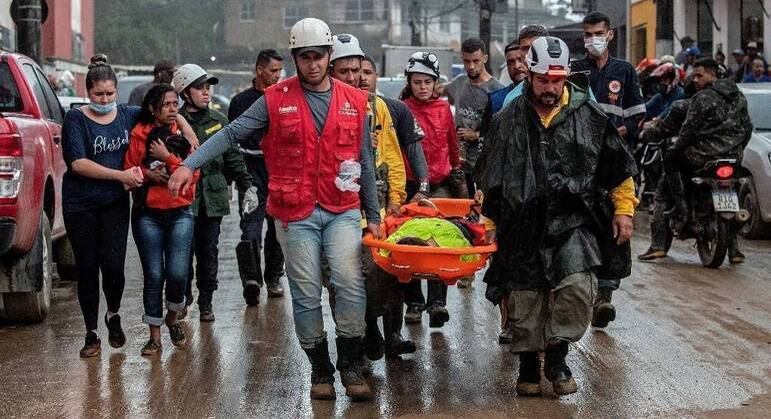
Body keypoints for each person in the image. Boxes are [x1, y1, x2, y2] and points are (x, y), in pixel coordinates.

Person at [167, 18, 381, 401]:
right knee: (305, 292)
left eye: (318, 56)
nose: (312, 64)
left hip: (342, 208)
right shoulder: (275, 99)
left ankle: (350, 364)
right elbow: (231, 133)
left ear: (329, 56)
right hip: (294, 211)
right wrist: (188, 164)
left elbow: (364, 158)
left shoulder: (355, 100)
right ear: (295, 58)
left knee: (349, 284)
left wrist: (375, 216)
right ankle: (320, 368)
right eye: (304, 57)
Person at [476, 36, 637, 397]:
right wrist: (489, 225)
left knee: (578, 287)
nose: (550, 88)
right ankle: (529, 365)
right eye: (544, 80)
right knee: (525, 296)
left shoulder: (589, 116)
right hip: (522, 223)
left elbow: (618, 168)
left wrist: (624, 210)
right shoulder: (507, 119)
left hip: (573, 221)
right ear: (529, 75)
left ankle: (557, 357)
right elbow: (491, 177)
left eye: (557, 80)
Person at [61, 54, 197, 358]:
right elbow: (77, 163)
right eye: (99, 94)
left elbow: (161, 107)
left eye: (110, 93)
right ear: (88, 92)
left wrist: (186, 129)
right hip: (80, 204)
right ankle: (91, 334)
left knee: (113, 267)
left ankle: (113, 313)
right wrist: (120, 175)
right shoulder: (75, 119)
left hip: (114, 203)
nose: (105, 99)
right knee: (87, 267)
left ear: (116, 91)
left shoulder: (125, 114)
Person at [327, 34, 408, 362]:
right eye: (345, 70)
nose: (354, 77)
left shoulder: (377, 107)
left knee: (379, 275)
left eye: (358, 69)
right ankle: (353, 345)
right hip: (335, 208)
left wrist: (397, 197)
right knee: (341, 279)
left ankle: (371, 324)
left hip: (374, 210)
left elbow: (391, 153)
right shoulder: (322, 105)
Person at [570, 11, 646, 329]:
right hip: (579, 162)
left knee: (614, 225)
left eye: (598, 33)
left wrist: (620, 133)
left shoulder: (624, 71)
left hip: (614, 162)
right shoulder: (575, 71)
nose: (593, 39)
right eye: (588, 34)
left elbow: (636, 115)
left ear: (610, 34)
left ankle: (604, 297)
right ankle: (583, 289)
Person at [479, 24, 547, 345]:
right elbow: (490, 156)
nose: (520, 63)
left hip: (551, 202)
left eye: (526, 56)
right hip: (511, 199)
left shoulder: (571, 93)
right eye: (514, 59)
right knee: (507, 263)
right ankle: (511, 322)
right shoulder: (501, 104)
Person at [173, 64, 254, 322]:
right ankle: (183, 298)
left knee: (209, 252)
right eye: (199, 88)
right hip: (184, 200)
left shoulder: (219, 122)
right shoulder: (175, 124)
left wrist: (246, 183)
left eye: (208, 87)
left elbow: (233, 158)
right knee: (182, 253)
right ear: (185, 93)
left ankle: (206, 302)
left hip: (213, 200)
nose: (206, 93)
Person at [124, 84, 199, 356]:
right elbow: (129, 171)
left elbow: (195, 172)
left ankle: (172, 318)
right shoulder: (139, 135)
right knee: (154, 274)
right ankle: (154, 336)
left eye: (175, 104)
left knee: (178, 273)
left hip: (180, 212)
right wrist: (149, 175)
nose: (172, 109)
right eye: (166, 104)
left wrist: (167, 158)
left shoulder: (183, 136)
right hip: (148, 215)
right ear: (153, 108)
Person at [359, 54, 422, 357]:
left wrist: (397, 198)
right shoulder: (335, 106)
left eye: (366, 72)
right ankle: (369, 330)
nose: (360, 78)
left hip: (383, 209)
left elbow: (395, 159)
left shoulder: (385, 108)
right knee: (362, 277)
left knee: (394, 270)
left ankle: (393, 334)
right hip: (348, 210)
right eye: (350, 71)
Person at [662, 58, 753, 264]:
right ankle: (734, 249)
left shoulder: (702, 98)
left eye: (699, 74)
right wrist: (737, 149)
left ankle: (681, 209)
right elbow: (748, 128)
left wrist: (675, 150)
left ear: (713, 74)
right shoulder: (738, 96)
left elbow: (687, 132)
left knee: (671, 161)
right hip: (732, 157)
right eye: (694, 75)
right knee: (733, 189)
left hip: (702, 156)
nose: (695, 79)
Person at [399, 52, 462, 327]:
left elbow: (452, 144)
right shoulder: (400, 109)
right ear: (409, 82)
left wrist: (458, 172)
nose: (422, 86)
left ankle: (437, 303)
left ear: (436, 83)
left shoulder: (443, 109)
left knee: (439, 241)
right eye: (417, 81)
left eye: (427, 81)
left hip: (440, 187)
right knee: (409, 243)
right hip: (410, 187)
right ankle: (413, 302)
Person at [229, 49, 287, 305]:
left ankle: (274, 277)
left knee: (278, 229)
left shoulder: (283, 98)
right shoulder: (240, 102)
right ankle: (251, 281)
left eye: (279, 71)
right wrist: (236, 175)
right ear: (259, 70)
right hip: (250, 173)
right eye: (273, 71)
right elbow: (230, 141)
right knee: (250, 226)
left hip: (278, 172)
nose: (277, 76)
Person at [444, 38, 504, 207]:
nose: (471, 66)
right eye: (467, 61)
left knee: (482, 208)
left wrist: (475, 134)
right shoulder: (459, 83)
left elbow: (502, 131)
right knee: (462, 209)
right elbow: (438, 90)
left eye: (475, 61)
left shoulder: (497, 90)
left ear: (485, 58)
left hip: (484, 164)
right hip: (460, 164)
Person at [638, 98, 691, 261]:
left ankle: (658, 246)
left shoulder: (684, 105)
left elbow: (663, 129)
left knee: (661, 196)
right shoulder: (733, 100)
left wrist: (645, 134)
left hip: (689, 161)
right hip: (722, 158)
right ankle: (733, 250)